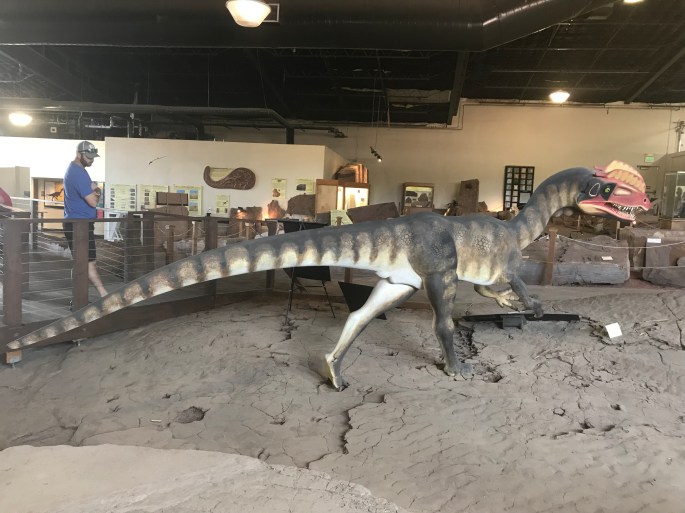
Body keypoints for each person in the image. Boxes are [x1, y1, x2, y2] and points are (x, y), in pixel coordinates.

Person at [63, 140, 108, 298]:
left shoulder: (77, 169)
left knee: (82, 263)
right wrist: (97, 191)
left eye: (93, 157)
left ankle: (78, 298)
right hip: (79, 226)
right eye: (88, 157)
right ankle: (104, 295)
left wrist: (95, 190)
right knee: (88, 263)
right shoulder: (78, 173)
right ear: (78, 154)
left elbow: (93, 194)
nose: (91, 160)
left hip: (79, 224)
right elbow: (94, 201)